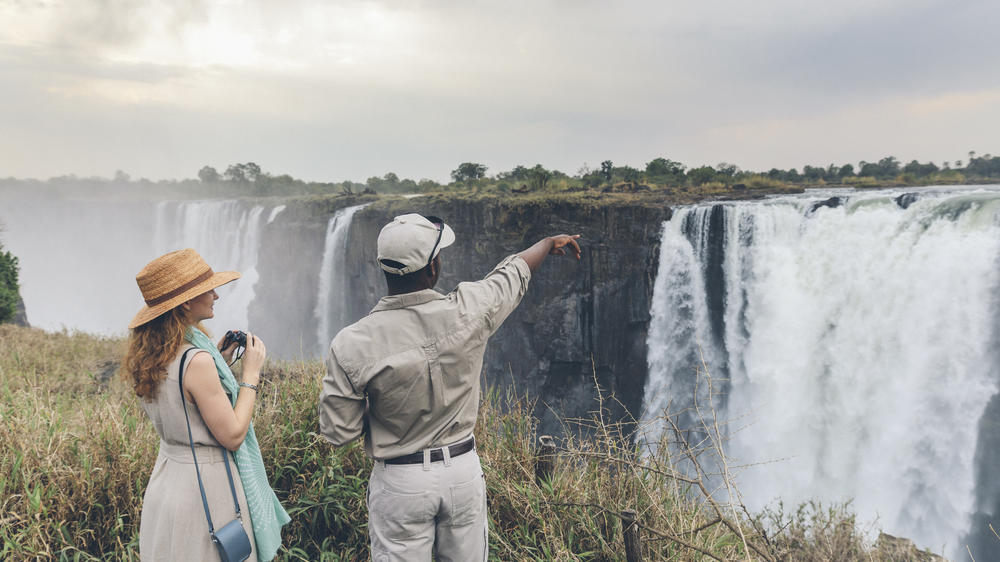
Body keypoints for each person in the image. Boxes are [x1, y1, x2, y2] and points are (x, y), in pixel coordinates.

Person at [319, 213, 581, 561]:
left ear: (385, 268)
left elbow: (338, 432)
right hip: (461, 473)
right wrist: (547, 244)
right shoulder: (470, 309)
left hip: (400, 481)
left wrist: (384, 408)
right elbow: (513, 273)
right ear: (432, 268)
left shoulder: (352, 343)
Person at [123, 248, 289, 561]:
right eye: (208, 289)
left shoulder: (153, 355)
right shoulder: (197, 361)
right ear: (186, 302)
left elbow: (181, 401)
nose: (216, 295)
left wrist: (219, 362)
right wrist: (250, 375)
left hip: (167, 480)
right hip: (205, 489)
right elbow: (233, 435)